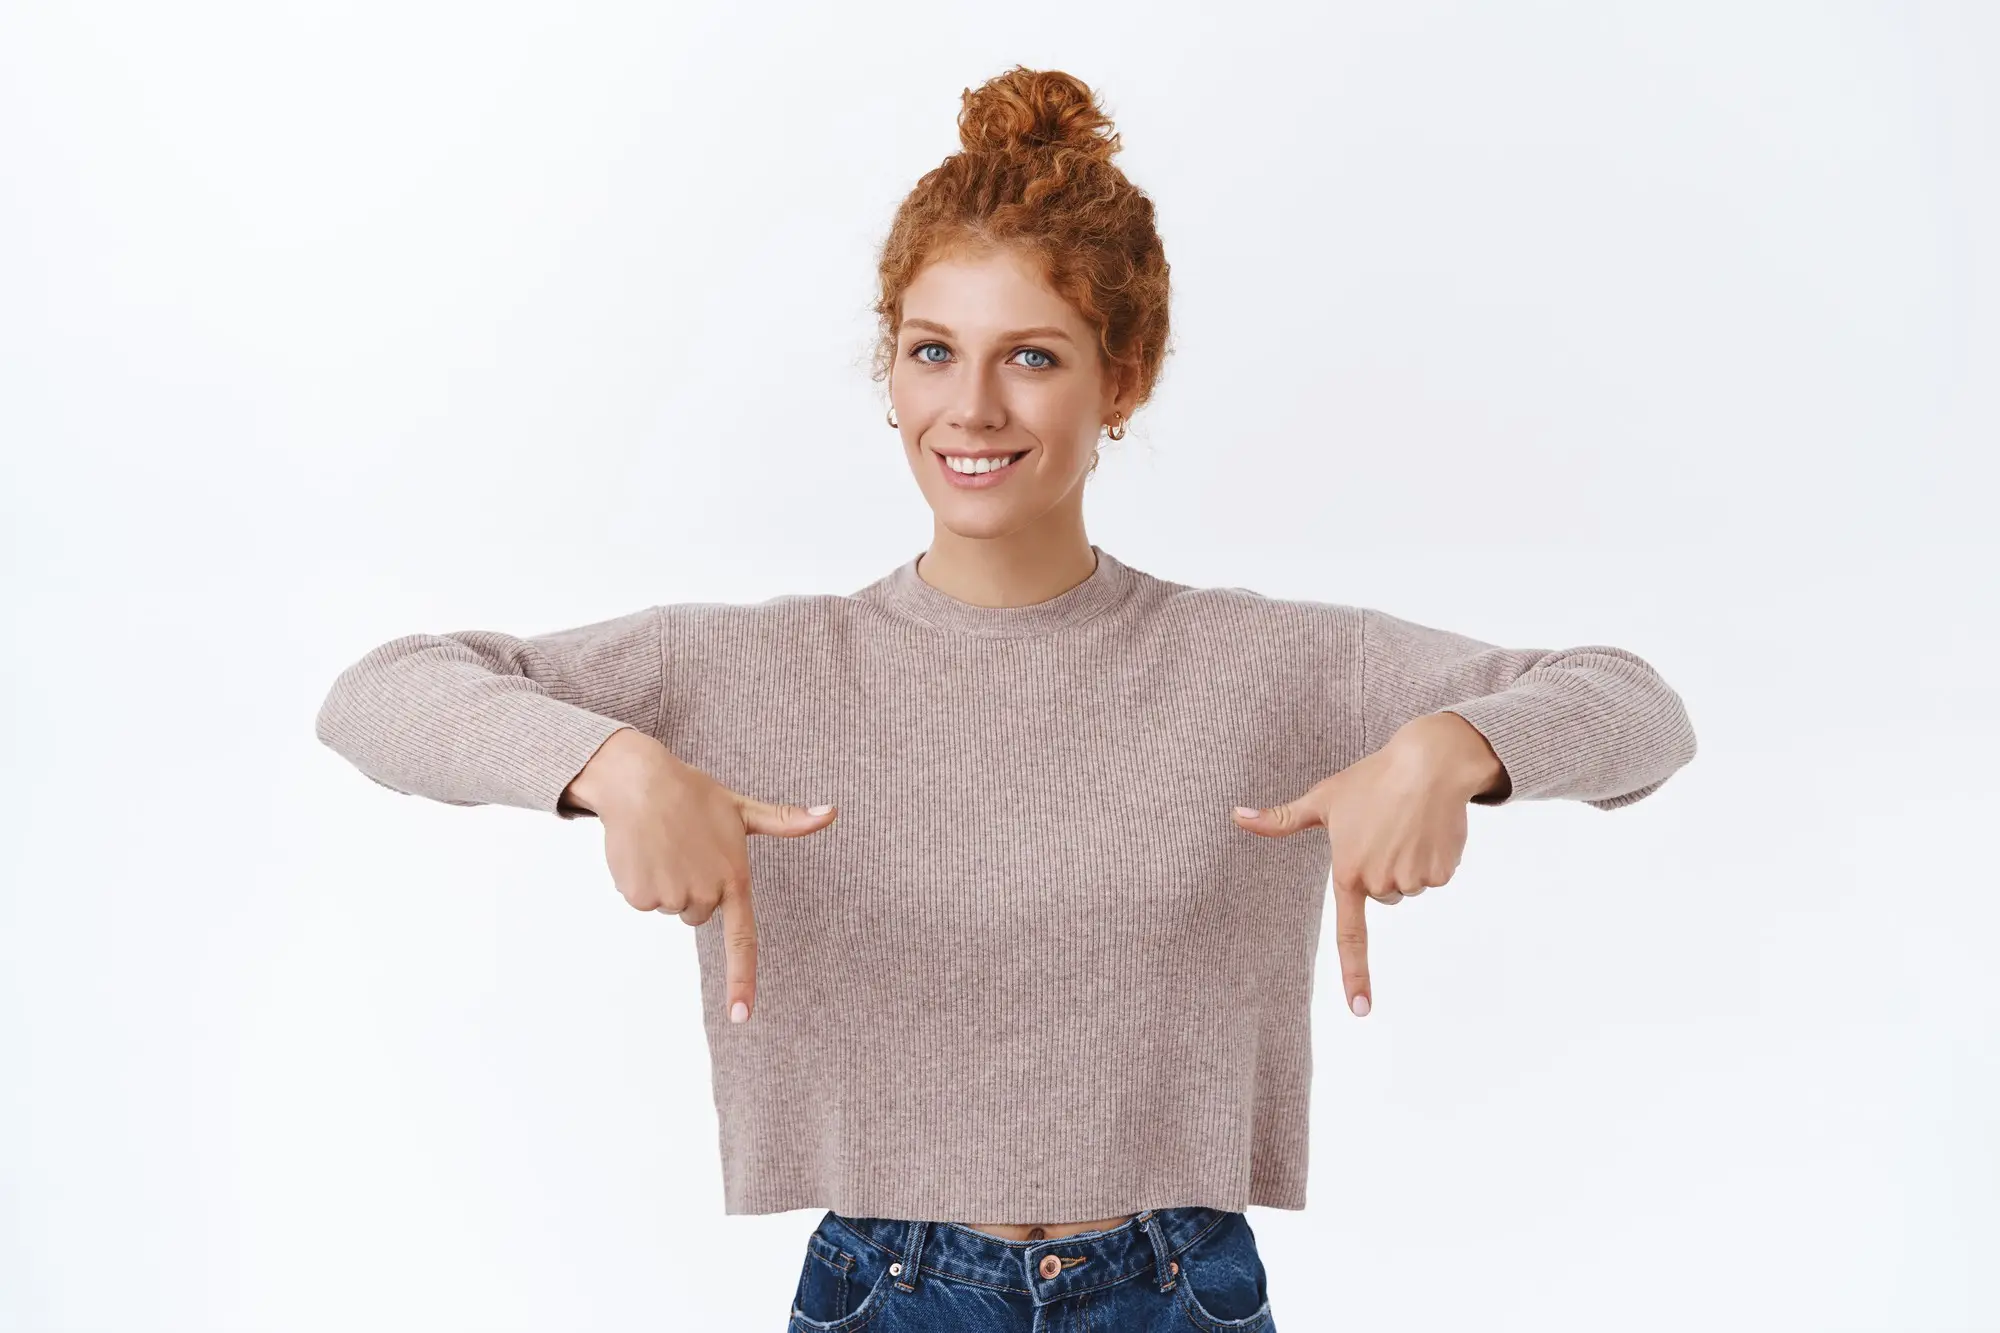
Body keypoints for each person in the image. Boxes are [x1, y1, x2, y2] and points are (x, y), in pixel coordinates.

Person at [314, 65, 1697, 1333]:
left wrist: (1454, 748)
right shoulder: (754, 666)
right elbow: (380, 694)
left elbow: (1638, 711)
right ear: (890, 370)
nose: (969, 407)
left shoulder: (1262, 663)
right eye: (931, 352)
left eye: (1031, 356)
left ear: (1124, 381)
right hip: (889, 1289)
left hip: (1175, 1290)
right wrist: (614, 767)